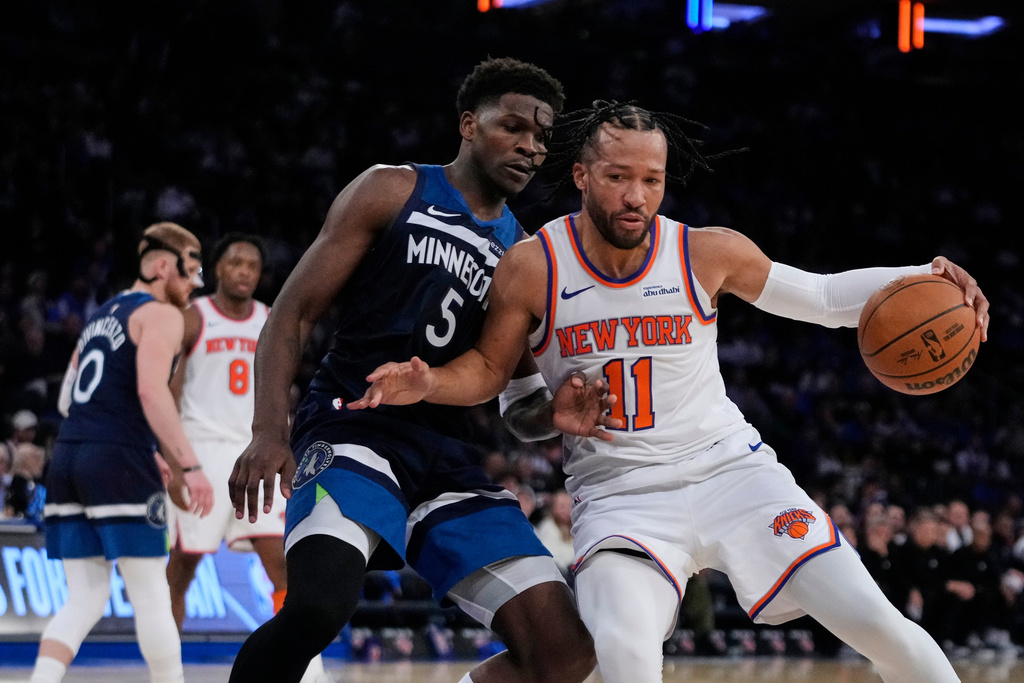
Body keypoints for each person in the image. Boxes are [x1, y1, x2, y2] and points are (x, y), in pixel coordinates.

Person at [351, 100, 992, 683]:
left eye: (651, 180)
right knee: (625, 655)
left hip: (733, 474)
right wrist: (466, 389)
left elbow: (824, 297)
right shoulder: (532, 266)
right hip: (620, 498)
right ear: (580, 175)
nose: (636, 196)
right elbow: (501, 392)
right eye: (617, 177)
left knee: (881, 628)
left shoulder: (706, 252)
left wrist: (930, 278)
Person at [226, 57, 613, 683]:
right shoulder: (392, 187)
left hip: (448, 458)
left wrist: (553, 415)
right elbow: (291, 315)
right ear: (468, 124)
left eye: (541, 136)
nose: (530, 146)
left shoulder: (525, 255)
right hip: (354, 429)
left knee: (566, 652)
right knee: (319, 606)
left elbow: (517, 408)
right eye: (513, 126)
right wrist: (269, 431)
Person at [30, 222, 215, 683]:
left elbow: (66, 400)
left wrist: (118, 435)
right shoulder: (161, 315)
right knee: (152, 591)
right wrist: (189, 466)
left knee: (85, 598)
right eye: (190, 271)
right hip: (117, 459)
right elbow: (152, 393)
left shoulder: (102, 315)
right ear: (161, 266)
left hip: (70, 455)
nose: (195, 285)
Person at [161, 232, 330, 681]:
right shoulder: (193, 317)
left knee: (282, 563)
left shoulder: (271, 319)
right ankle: (167, 670)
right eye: (236, 263)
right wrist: (175, 463)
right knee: (183, 566)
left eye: (253, 266)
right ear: (218, 268)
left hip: (257, 451)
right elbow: (169, 395)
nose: (244, 272)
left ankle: (308, 671)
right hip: (203, 452)